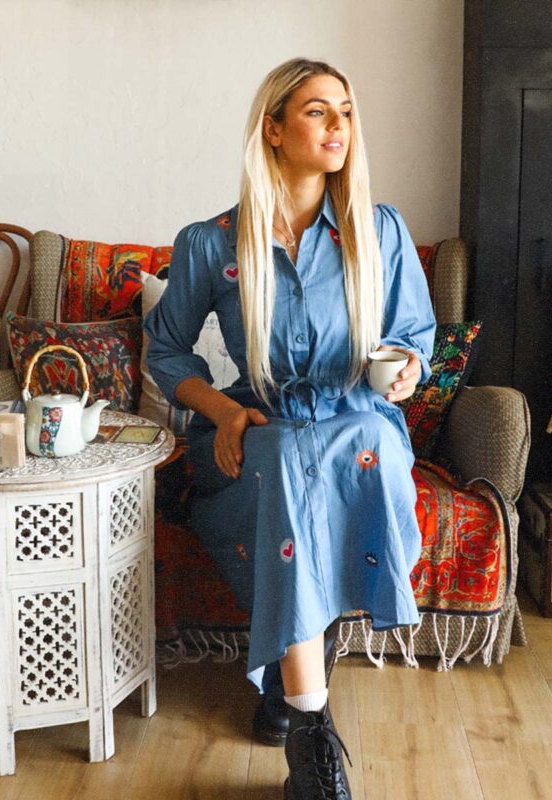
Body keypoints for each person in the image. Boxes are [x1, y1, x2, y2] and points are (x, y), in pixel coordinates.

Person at [144, 57, 436, 800]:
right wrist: (223, 412)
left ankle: (290, 692)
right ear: (273, 129)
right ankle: (312, 731)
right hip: (262, 427)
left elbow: (414, 336)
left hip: (354, 419)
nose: (339, 124)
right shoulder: (211, 243)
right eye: (317, 110)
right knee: (283, 465)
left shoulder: (380, 230)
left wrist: (406, 373)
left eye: (345, 109)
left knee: (366, 445)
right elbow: (166, 349)